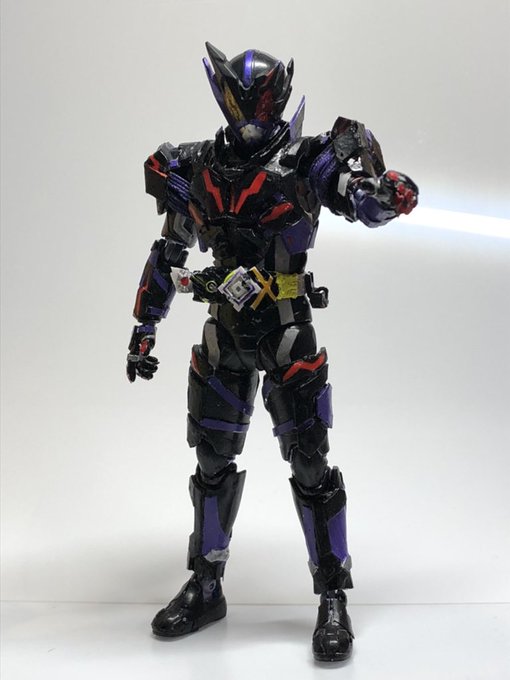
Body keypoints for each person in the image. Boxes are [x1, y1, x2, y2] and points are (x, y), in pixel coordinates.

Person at [127, 42, 418, 662]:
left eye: (262, 101)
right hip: (225, 333)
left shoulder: (308, 161)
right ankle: (206, 585)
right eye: (244, 101)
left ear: (279, 96)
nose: (253, 113)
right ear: (224, 96)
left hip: (287, 330)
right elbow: (170, 250)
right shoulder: (196, 166)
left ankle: (333, 596)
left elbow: (359, 198)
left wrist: (385, 196)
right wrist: (145, 325)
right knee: (211, 460)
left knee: (311, 464)